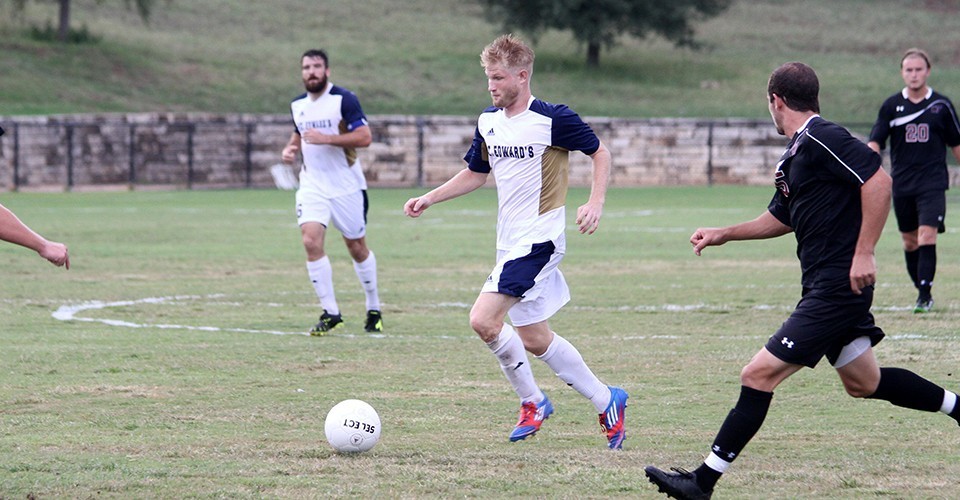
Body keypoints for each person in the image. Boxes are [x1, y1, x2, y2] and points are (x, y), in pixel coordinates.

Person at [644, 62, 960, 500]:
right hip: (825, 285)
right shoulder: (797, 152)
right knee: (863, 383)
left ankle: (702, 482)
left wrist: (864, 252)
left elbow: (878, 181)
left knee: (757, 374)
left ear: (777, 100)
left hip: (836, 287)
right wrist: (725, 233)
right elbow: (782, 217)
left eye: (769, 103)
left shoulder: (820, 137)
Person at [403, 34, 628, 449]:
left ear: (522, 76)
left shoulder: (552, 119)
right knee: (535, 339)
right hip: (509, 243)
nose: (491, 85)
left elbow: (600, 153)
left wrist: (594, 201)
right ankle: (606, 399)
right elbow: (476, 173)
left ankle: (533, 401)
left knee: (483, 320)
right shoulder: (488, 121)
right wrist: (429, 197)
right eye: (488, 77)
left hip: (539, 241)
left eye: (498, 77)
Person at [280, 49, 383, 335]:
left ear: (327, 71)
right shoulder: (298, 105)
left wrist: (328, 139)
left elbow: (365, 137)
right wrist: (290, 149)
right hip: (312, 185)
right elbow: (299, 134)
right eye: (306, 67)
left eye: (316, 67)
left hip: (346, 186)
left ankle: (373, 308)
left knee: (356, 247)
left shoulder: (343, 100)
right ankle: (331, 312)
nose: (311, 72)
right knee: (311, 241)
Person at [867, 48, 960, 313]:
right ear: (902, 73)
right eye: (909, 70)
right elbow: (876, 139)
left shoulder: (941, 105)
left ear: (928, 71)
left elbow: (957, 144)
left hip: (932, 183)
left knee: (927, 235)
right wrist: (872, 159)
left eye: (919, 69)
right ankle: (921, 290)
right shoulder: (891, 105)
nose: (914, 74)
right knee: (910, 241)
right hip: (903, 184)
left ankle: (924, 295)